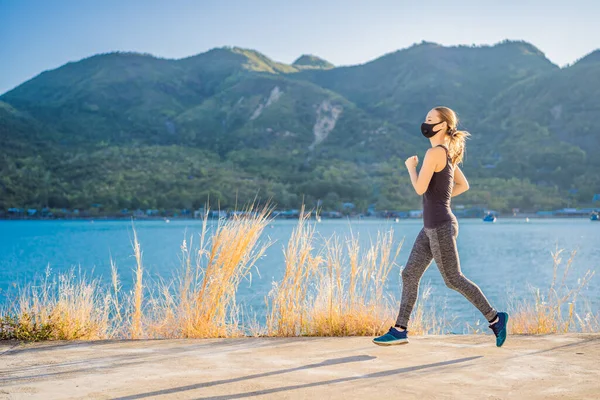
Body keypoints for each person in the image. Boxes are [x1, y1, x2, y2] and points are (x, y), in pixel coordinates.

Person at [372, 106, 508, 347]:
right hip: (431, 226)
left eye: (430, 119)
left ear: (444, 125)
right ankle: (400, 329)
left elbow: (419, 188)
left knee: (453, 279)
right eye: (425, 119)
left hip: (440, 226)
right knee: (409, 273)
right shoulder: (447, 154)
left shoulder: (435, 153)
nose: (425, 123)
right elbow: (463, 185)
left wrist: (410, 168)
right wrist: (442, 200)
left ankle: (496, 318)